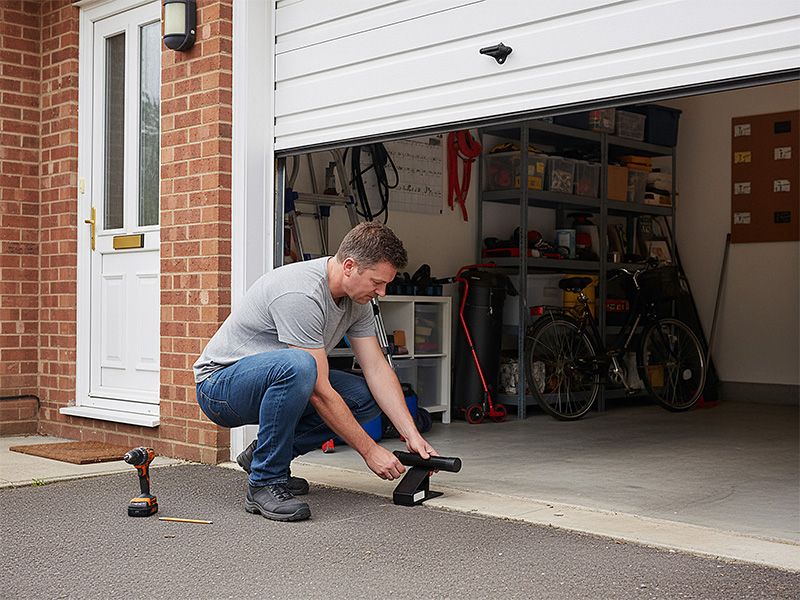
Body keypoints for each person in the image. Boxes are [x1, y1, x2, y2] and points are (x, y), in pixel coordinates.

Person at [193, 222, 437, 522]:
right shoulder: (301, 293)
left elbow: (376, 368)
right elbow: (320, 391)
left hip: (274, 376)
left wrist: (411, 434)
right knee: (299, 366)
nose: (382, 293)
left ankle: (265, 457)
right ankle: (265, 482)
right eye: (377, 282)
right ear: (349, 266)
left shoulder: (356, 300)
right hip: (219, 387)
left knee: (362, 396)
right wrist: (370, 451)